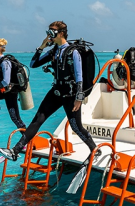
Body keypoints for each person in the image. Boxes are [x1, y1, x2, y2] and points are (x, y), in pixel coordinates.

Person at [5, 21, 96, 160]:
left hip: (70, 94)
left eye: (51, 32)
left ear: (61, 33)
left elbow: (79, 76)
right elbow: (33, 64)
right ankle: (15, 150)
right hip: (56, 91)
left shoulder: (73, 52)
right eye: (48, 32)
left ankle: (94, 150)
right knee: (37, 120)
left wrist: (79, 97)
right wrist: (42, 46)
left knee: (76, 127)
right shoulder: (54, 51)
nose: (49, 35)